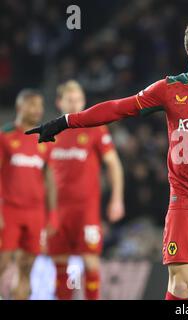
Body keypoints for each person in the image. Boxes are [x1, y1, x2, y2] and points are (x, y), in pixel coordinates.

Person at [26, 18, 188, 300]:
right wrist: (66, 121)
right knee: (180, 286)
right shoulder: (170, 89)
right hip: (187, 203)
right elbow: (119, 108)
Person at [47, 80, 125, 300]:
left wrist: (117, 199)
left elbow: (113, 163)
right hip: (57, 210)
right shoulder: (49, 132)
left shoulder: (95, 128)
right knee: (60, 264)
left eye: (78, 99)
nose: (75, 104)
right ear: (59, 102)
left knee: (90, 261)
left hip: (86, 210)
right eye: (70, 100)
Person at [0, 89, 57, 299]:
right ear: (19, 107)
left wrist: (52, 215)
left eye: (40, 105)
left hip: (35, 213)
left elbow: (50, 181)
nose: (37, 110)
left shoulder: (45, 139)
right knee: (3, 262)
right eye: (32, 104)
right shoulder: (5, 136)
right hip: (9, 210)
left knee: (27, 267)